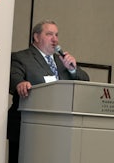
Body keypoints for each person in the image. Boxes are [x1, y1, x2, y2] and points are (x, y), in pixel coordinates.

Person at [7, 19, 89, 163]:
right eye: (49, 34)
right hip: (27, 128)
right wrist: (20, 83)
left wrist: (73, 69)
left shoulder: (62, 61)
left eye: (57, 35)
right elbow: (13, 78)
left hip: (58, 129)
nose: (55, 39)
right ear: (36, 37)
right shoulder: (21, 57)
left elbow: (85, 81)